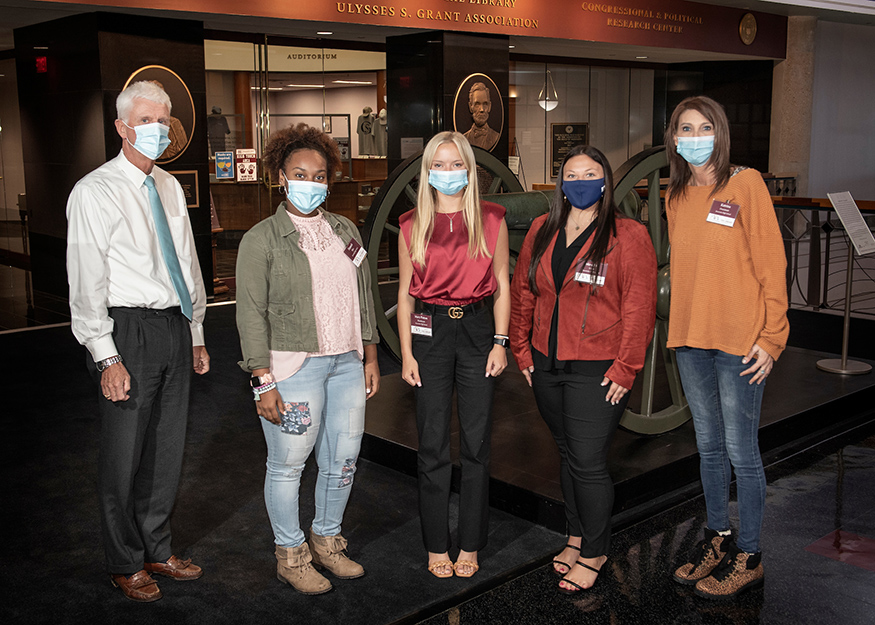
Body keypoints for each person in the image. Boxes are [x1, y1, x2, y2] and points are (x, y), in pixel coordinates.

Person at [66, 80, 209, 603]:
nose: (156, 131)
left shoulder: (169, 186)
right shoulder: (94, 191)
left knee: (167, 450)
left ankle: (157, 547)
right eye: (145, 121)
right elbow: (85, 282)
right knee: (123, 454)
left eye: (163, 122)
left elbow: (187, 264)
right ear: (122, 127)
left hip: (173, 325)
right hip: (126, 330)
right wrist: (105, 355)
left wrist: (194, 331)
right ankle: (123, 560)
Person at [235, 123, 380, 596]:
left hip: (346, 364)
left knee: (343, 460)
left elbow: (364, 295)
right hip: (292, 369)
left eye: (319, 175)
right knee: (289, 464)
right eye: (300, 173)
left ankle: (327, 541)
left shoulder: (345, 230)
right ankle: (290, 554)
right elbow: (250, 314)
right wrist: (262, 380)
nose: (310, 182)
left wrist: (370, 354)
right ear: (280, 176)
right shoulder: (262, 238)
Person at [509, 144, 657, 594]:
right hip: (547, 363)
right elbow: (524, 292)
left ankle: (594, 552)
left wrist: (627, 367)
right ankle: (574, 537)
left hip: (599, 366)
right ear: (561, 183)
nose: (580, 181)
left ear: (605, 182)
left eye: (589, 174)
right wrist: (522, 350)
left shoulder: (627, 234)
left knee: (589, 462)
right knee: (568, 453)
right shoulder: (542, 227)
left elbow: (640, 307)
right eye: (571, 174)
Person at [665, 96, 789, 599]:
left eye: (703, 127)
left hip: (740, 341)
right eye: (684, 128)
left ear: (720, 131)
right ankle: (717, 538)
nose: (694, 137)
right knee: (709, 447)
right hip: (691, 340)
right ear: (673, 137)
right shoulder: (675, 196)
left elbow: (771, 264)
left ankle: (751, 554)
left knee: (742, 450)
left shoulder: (746, 183)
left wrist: (772, 336)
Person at [397, 131, 510, 579]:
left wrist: (501, 342)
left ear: (469, 168)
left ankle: (471, 544)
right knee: (432, 444)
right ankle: (436, 544)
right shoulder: (411, 224)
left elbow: (501, 283)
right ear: (428, 172)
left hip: (480, 331)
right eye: (439, 165)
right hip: (430, 334)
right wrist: (406, 353)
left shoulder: (492, 219)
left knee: (478, 444)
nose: (448, 173)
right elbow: (405, 296)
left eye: (455, 164)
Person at [462, 82, 500, 151]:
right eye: (477, 104)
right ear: (471, 106)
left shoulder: (496, 137)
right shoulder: (464, 139)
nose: (482, 109)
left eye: (485, 104)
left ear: (489, 106)